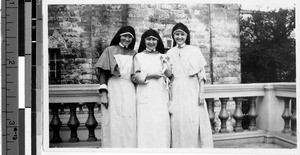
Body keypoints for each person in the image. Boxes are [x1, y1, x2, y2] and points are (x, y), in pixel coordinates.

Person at [167, 23, 214, 148]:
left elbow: (201, 75)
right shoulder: (170, 53)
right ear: (173, 36)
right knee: (178, 121)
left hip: (192, 89)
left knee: (193, 120)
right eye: (177, 34)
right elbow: (169, 76)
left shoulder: (195, 50)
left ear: (186, 36)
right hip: (177, 89)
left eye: (182, 34)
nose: (179, 37)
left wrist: (201, 93)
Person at [94, 26, 137, 148]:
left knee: (129, 119)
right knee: (114, 118)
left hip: (129, 88)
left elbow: (136, 74)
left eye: (130, 37)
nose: (127, 39)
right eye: (125, 36)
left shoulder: (134, 54)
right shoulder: (109, 50)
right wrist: (103, 94)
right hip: (114, 87)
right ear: (119, 36)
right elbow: (103, 71)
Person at [131, 29, 171, 148]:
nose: (151, 42)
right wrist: (150, 75)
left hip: (160, 94)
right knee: (146, 125)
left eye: (154, 39)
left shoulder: (162, 56)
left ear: (157, 41)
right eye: (148, 39)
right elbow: (134, 77)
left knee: (160, 124)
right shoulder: (138, 56)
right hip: (145, 94)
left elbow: (169, 75)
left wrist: (167, 63)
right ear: (144, 41)